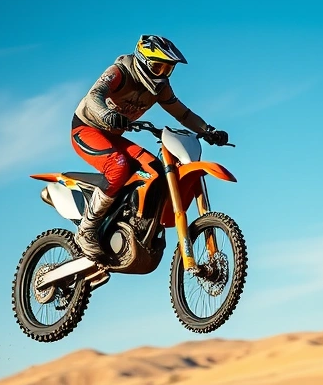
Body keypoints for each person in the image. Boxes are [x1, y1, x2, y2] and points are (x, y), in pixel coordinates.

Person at [70, 34, 230, 260]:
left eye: (168, 69)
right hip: (87, 130)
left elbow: (182, 113)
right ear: (143, 62)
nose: (162, 74)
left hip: (114, 136)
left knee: (154, 169)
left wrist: (208, 130)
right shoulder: (119, 72)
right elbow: (94, 96)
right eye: (157, 66)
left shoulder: (160, 88)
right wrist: (107, 114)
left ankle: (133, 222)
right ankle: (86, 230)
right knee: (118, 166)